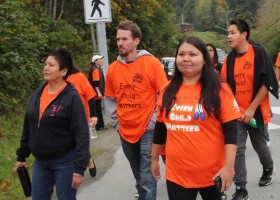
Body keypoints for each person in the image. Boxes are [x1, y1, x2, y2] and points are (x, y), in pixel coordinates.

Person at [150, 36, 241, 200]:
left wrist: (229, 167)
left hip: (214, 174)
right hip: (177, 174)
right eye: (181, 54)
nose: (186, 59)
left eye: (193, 54)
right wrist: (154, 159)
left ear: (205, 59)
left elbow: (232, 132)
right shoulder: (167, 90)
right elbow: (160, 128)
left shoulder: (220, 89)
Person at [13, 48, 90, 200]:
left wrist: (79, 168)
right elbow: (28, 127)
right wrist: (21, 157)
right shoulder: (37, 94)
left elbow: (81, 133)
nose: (46, 68)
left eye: (51, 65)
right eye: (45, 64)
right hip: (41, 163)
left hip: (65, 162)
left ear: (63, 71)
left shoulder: (72, 97)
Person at [104, 20, 168, 200]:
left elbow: (163, 95)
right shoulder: (113, 69)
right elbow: (109, 99)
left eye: (125, 39)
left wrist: (154, 121)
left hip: (148, 128)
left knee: (147, 174)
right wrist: (116, 123)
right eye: (118, 39)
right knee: (138, 173)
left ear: (136, 41)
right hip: (124, 129)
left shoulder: (152, 63)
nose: (120, 43)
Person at [220, 19, 279, 200]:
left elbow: (268, 83)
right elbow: (224, 86)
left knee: (260, 146)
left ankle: (268, 167)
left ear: (244, 34)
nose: (228, 36)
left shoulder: (258, 53)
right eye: (228, 33)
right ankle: (241, 189)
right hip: (236, 115)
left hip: (256, 113)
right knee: (237, 149)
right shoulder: (229, 59)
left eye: (232, 32)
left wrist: (251, 109)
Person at [67, 66, 98, 177]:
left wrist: (94, 115)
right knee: (70, 144)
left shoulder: (79, 77)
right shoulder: (58, 80)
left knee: (80, 143)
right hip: (65, 120)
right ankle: (86, 160)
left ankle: (88, 160)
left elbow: (90, 96)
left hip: (81, 118)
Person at [88, 55, 105, 131]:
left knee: (97, 109)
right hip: (95, 94)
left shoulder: (97, 69)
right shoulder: (95, 70)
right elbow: (95, 83)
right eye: (99, 59)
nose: (101, 61)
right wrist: (99, 93)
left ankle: (100, 125)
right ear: (95, 61)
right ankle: (99, 126)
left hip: (94, 93)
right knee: (97, 109)